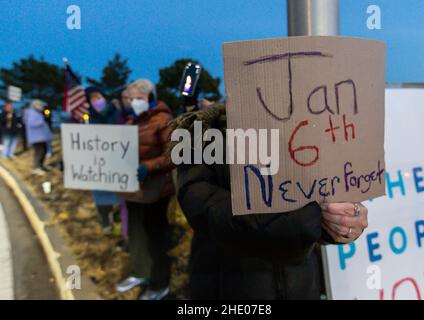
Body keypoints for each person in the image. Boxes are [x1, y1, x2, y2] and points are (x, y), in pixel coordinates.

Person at [171, 104, 369, 299]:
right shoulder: (201, 129)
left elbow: (321, 201)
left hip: (300, 285)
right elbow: (202, 207)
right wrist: (307, 217)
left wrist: (339, 221)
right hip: (229, 287)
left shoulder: (306, 128)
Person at [115, 79, 175, 300]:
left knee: (154, 237)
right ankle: (141, 272)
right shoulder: (132, 122)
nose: (133, 103)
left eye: (138, 99)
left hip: (156, 190)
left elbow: (173, 155)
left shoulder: (164, 121)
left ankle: (160, 284)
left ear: (150, 98)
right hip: (134, 189)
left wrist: (148, 166)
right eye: (130, 99)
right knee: (136, 233)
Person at [85, 86, 124, 234]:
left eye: (98, 97)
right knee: (101, 195)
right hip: (98, 162)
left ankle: (120, 219)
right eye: (93, 99)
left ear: (104, 97)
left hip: (117, 159)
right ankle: (106, 223)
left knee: (120, 194)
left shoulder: (116, 112)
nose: (96, 101)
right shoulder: (88, 116)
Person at [23, 100, 53, 175]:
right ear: (35, 105)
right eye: (39, 105)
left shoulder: (37, 113)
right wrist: (42, 121)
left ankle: (41, 165)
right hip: (36, 137)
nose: (41, 107)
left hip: (41, 136)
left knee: (44, 151)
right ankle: (36, 167)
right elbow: (32, 123)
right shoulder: (32, 113)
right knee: (39, 152)